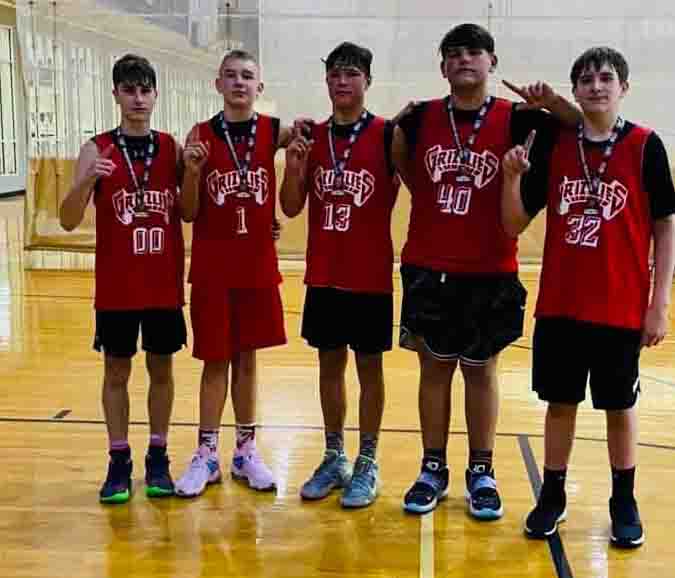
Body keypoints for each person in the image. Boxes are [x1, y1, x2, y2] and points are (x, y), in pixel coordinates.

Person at [391, 23, 580, 518]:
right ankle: (432, 467)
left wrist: (555, 100)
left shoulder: (519, 119)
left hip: (490, 268)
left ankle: (481, 470)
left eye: (474, 51)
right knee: (433, 371)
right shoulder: (420, 118)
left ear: (492, 62)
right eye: (453, 53)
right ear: (442, 67)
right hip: (429, 264)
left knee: (480, 372)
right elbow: (401, 161)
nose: (464, 60)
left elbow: (584, 128)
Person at [502, 46, 675, 548]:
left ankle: (624, 500)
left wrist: (658, 303)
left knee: (620, 407)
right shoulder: (555, 144)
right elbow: (514, 223)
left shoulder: (646, 145)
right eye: (586, 80)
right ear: (575, 90)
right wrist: (512, 179)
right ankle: (551, 495)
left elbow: (665, 227)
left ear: (623, 87)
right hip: (560, 302)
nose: (596, 86)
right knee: (560, 403)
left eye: (606, 78)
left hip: (620, 305)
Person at [60, 54, 186, 503]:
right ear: (115, 94)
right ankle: (118, 460)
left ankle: (158, 456)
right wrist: (84, 183)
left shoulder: (171, 148)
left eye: (144, 89)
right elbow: (68, 219)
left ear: (154, 95)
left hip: (162, 284)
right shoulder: (96, 148)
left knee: (162, 369)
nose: (137, 98)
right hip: (117, 286)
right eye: (128, 89)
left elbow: (192, 209)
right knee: (116, 370)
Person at [281, 42, 400, 508]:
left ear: (367, 81)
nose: (343, 81)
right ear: (327, 80)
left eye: (352, 73)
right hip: (324, 275)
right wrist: (293, 168)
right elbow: (291, 207)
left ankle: (367, 461)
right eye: (335, 73)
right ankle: (335, 456)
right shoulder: (311, 137)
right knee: (329, 367)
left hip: (369, 276)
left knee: (370, 370)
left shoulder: (389, 136)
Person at [175, 49, 296, 496]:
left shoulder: (273, 131)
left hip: (257, 265)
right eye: (231, 76)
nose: (240, 83)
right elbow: (187, 211)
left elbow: (319, 135)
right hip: (212, 265)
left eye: (248, 76)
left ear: (260, 87)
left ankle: (245, 450)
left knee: (248, 360)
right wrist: (190, 173)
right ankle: (206, 454)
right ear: (218, 85)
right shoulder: (200, 135)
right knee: (214, 361)